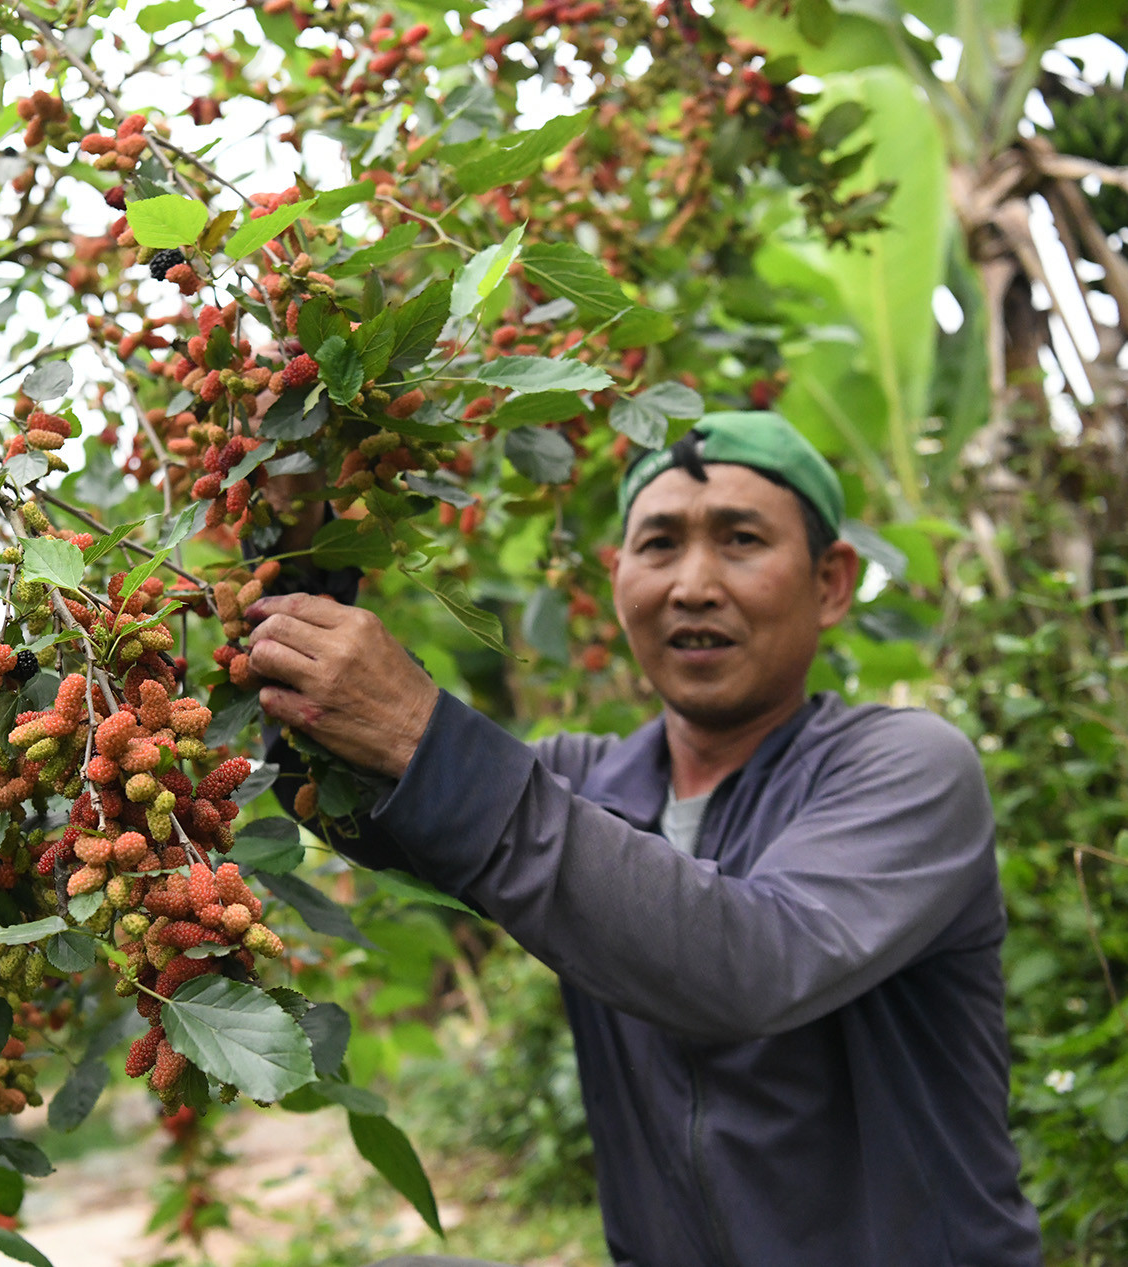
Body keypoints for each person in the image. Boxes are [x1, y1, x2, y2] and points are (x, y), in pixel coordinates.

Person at [244, 413, 1043, 1267]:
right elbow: (338, 789)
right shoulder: (578, 785)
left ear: (831, 581)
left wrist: (424, 732)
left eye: (741, 539)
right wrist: (305, 545)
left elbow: (750, 963)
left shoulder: (909, 769)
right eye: (660, 545)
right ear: (619, 579)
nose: (694, 584)